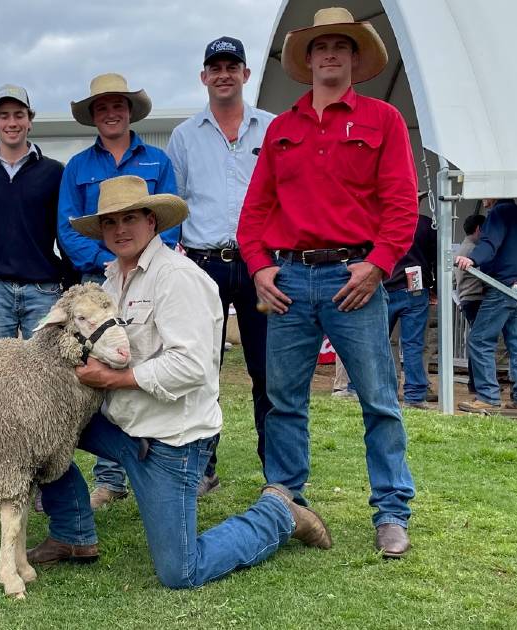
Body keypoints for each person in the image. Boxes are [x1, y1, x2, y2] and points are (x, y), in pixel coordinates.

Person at [28, 175, 331, 588]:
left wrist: (114, 379)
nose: (120, 229)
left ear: (152, 221)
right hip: (123, 426)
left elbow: (192, 367)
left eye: (130, 218)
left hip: (170, 442)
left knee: (181, 571)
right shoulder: (110, 280)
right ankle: (73, 533)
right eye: (110, 222)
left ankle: (279, 513)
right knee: (35, 424)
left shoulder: (178, 278)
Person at [236, 7, 418, 558]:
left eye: (341, 45)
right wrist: (260, 267)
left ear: (356, 59)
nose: (330, 54)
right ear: (308, 59)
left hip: (354, 277)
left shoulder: (383, 120)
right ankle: (288, 501)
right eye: (320, 47)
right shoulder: (282, 129)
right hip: (289, 278)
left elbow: (402, 204)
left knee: (379, 400)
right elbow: (255, 210)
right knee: (283, 398)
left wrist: (380, 263)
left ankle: (391, 511)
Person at [57, 72, 180, 509]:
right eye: (102, 107)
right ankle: (110, 476)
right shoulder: (77, 167)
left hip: (150, 272)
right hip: (100, 282)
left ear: (130, 112)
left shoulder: (158, 161)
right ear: (93, 116)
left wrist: (143, 260)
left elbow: (171, 217)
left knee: (152, 359)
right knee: (105, 368)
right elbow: (68, 227)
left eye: (118, 105)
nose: (111, 113)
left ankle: (172, 462)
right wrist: (105, 264)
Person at [165, 36, 274, 491]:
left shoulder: (272, 128)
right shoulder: (184, 135)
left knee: (267, 371)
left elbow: (283, 196)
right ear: (204, 77)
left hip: (259, 264)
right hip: (204, 262)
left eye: (233, 66)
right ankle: (201, 467)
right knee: (200, 370)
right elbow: (175, 201)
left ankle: (278, 472)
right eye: (216, 67)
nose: (224, 74)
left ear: (246, 74)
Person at [0, 84, 68, 343]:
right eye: (4, 115)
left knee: (46, 372)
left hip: (44, 289)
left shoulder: (55, 172)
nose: (12, 122)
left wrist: (71, 279)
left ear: (30, 120)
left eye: (19, 115)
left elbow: (65, 230)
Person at [454, 198, 517, 411]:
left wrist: (473, 260)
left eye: (485, 195)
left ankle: (488, 396)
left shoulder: (498, 213)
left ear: (494, 195)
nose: (483, 200)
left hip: (506, 286)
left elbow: (489, 243)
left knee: (479, 338)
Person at [382, 211, 437, 409]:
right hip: (416, 287)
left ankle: (377, 389)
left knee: (377, 342)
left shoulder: (383, 218)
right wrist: (435, 289)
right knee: (413, 343)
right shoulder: (426, 224)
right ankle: (415, 395)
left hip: (386, 285)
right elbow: (436, 259)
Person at [454, 214, 487, 394]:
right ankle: (477, 384)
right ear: (478, 229)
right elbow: (485, 277)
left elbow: (453, 280)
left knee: (475, 340)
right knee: (480, 342)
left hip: (466, 299)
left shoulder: (460, 249)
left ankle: (474, 383)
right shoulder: (473, 251)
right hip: (476, 299)